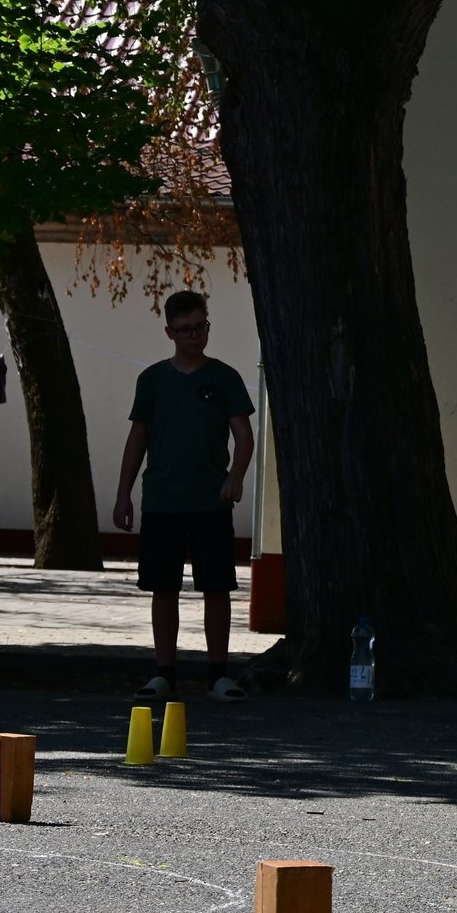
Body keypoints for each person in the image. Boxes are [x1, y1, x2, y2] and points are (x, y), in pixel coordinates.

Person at [113, 290, 255, 704]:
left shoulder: (224, 377)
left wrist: (236, 476)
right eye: (186, 329)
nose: (195, 336)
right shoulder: (153, 380)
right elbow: (137, 439)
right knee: (163, 586)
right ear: (170, 331)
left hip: (212, 501)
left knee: (216, 585)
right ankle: (164, 673)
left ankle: (218, 674)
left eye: (201, 327)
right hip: (162, 499)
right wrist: (123, 494)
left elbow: (243, 435)